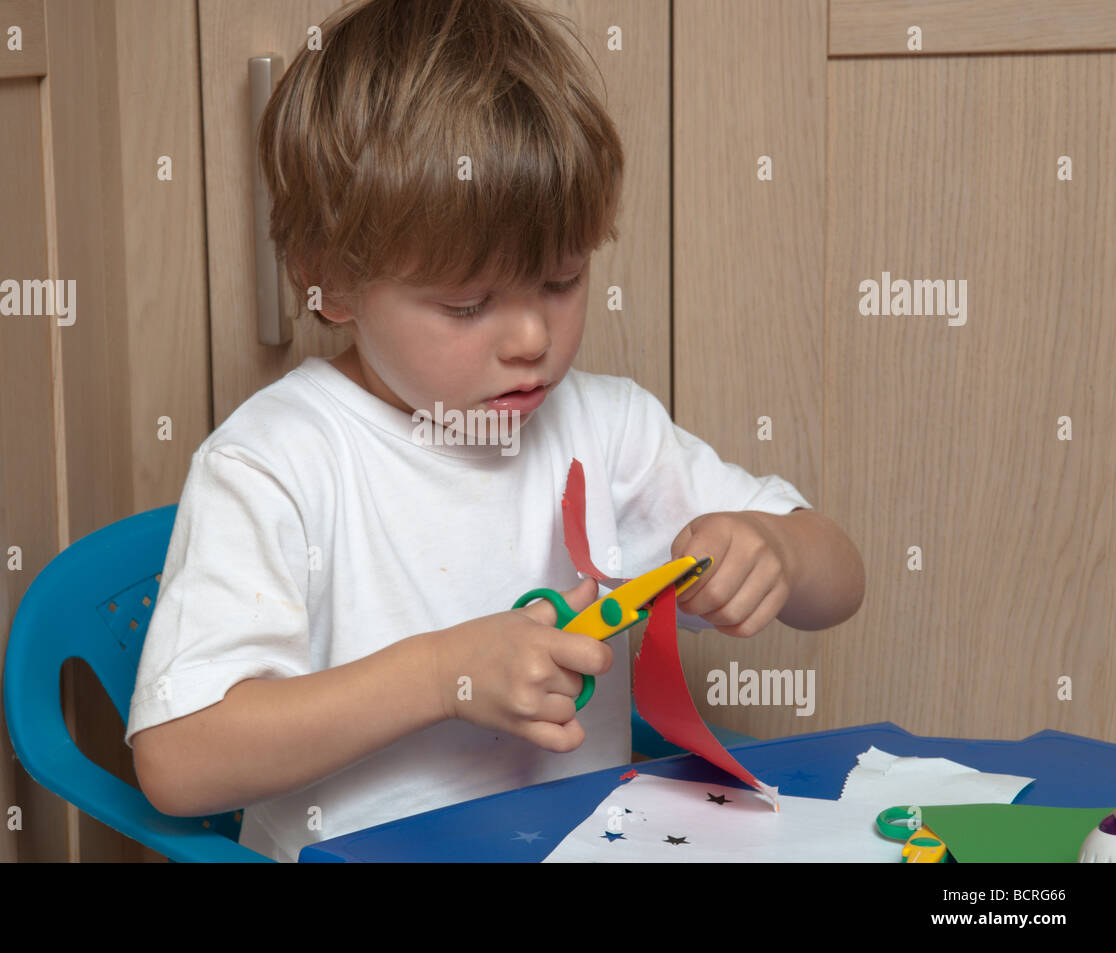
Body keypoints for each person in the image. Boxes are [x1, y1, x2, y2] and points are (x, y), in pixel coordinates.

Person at [126, 0, 864, 862]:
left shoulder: (605, 426)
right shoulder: (277, 462)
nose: (531, 340)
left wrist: (773, 550)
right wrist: (444, 675)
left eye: (562, 279)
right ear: (329, 278)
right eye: (468, 304)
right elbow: (177, 761)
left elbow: (839, 579)